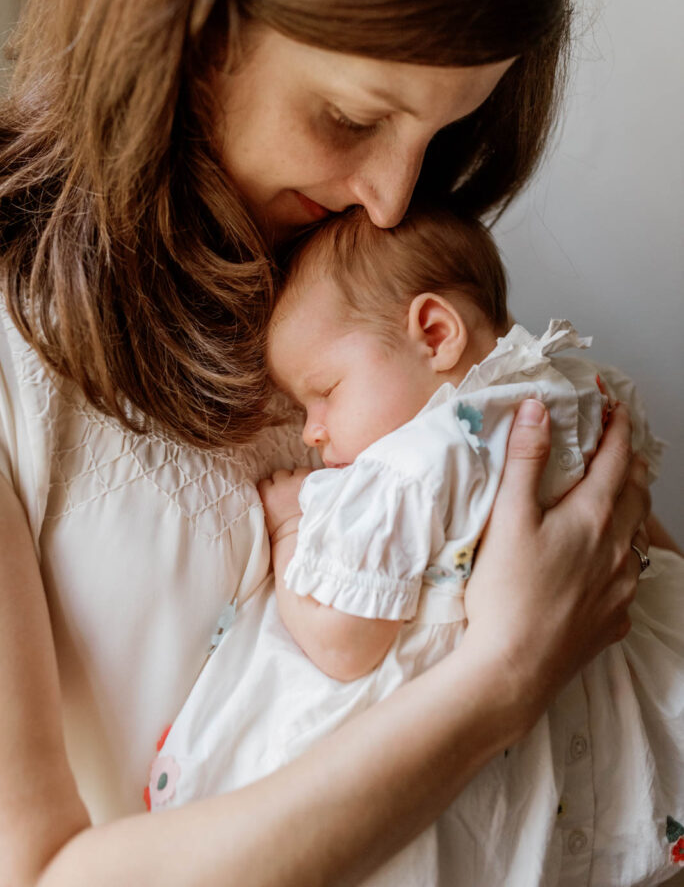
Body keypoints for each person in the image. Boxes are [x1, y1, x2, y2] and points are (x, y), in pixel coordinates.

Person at [0, 0, 661, 884]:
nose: (395, 198)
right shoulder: (18, 361)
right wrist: (501, 681)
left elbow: (615, 600)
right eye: (353, 119)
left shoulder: (370, 280)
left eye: (439, 133)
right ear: (192, 24)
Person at [147, 205, 682, 886]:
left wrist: (289, 530)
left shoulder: (411, 467)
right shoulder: (581, 385)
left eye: (325, 392)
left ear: (434, 333)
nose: (311, 432)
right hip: (608, 725)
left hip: (477, 757)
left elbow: (344, 645)